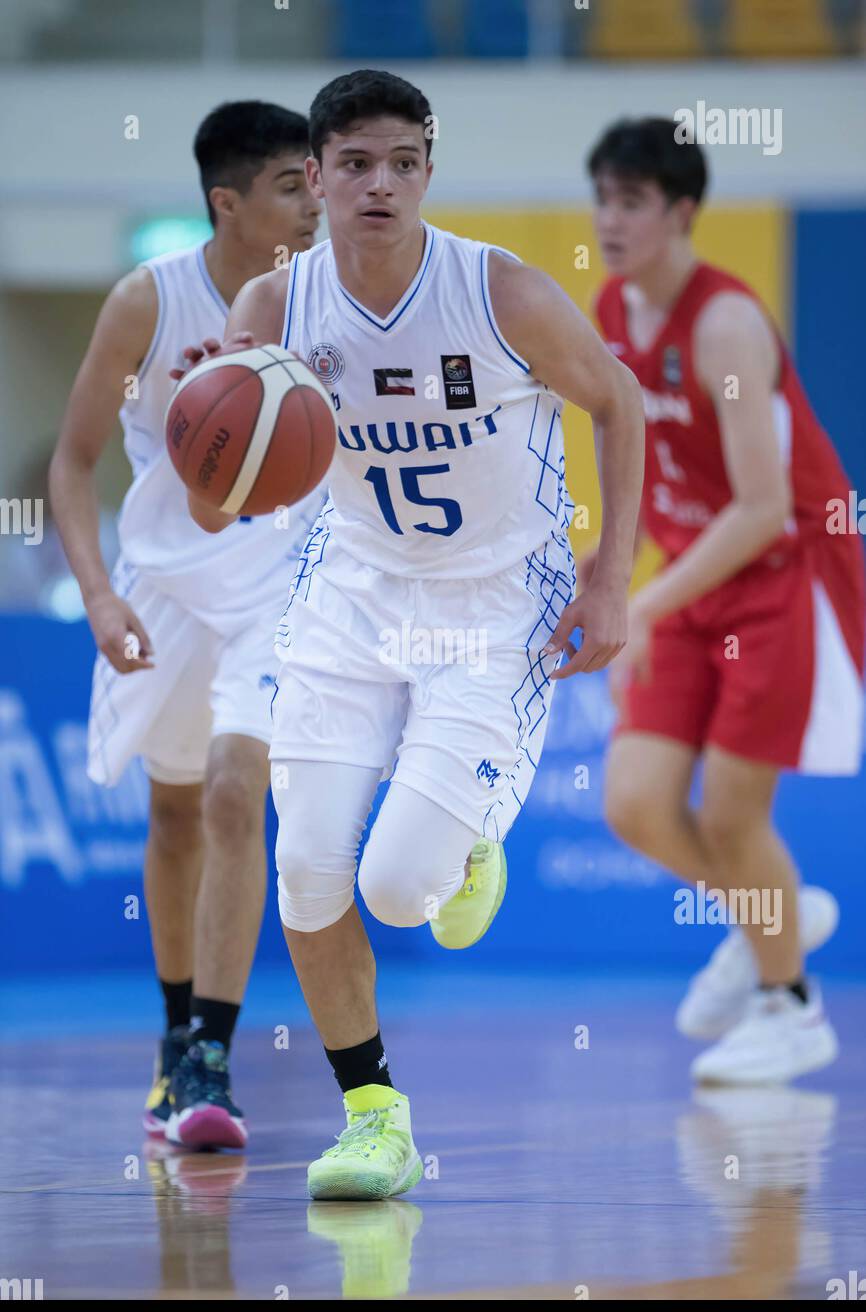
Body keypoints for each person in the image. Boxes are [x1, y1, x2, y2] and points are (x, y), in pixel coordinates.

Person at [182, 69, 644, 1199]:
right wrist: (208, 427)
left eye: (400, 163)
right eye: (353, 166)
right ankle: (374, 1115)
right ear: (317, 180)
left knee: (396, 891)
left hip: (493, 605)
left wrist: (612, 580)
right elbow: (216, 505)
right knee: (304, 867)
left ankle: (474, 823)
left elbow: (618, 401)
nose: (378, 185)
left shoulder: (501, 291)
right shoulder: (271, 313)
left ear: (427, 171)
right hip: (349, 598)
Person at [49, 101, 325, 1148]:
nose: (314, 204)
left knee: (231, 792)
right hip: (162, 578)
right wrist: (100, 596)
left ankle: (213, 1049)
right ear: (229, 203)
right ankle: (176, 1036)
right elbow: (71, 464)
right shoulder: (146, 302)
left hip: (277, 577)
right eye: (292, 188)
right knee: (171, 816)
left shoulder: (324, 297)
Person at [586, 117, 865, 1084]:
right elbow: (641, 475)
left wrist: (646, 606)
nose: (611, 221)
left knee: (737, 814)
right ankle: (770, 924)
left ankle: (793, 1004)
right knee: (632, 803)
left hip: (778, 577)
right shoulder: (609, 311)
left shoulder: (727, 326)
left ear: (682, 212)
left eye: (632, 202)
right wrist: (614, 577)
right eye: (603, 199)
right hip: (686, 580)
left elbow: (759, 507)